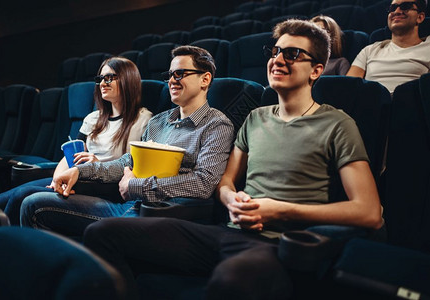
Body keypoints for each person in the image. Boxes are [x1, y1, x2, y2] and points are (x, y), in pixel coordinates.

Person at [82, 19, 384, 299]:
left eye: (292, 54)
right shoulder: (255, 118)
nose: (277, 60)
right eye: (275, 51)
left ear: (317, 70)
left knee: (231, 281)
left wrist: (278, 210)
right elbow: (225, 182)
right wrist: (232, 201)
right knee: (102, 234)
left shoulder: (337, 124)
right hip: (227, 231)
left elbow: (368, 211)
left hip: (278, 243)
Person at [20, 45, 234, 237]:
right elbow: (127, 163)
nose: (171, 81)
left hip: (163, 213)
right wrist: (80, 171)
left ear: (205, 79)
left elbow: (203, 183)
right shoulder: (159, 122)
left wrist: (136, 186)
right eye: (169, 75)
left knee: (93, 230)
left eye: (179, 74)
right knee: (33, 204)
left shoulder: (216, 125)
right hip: (130, 205)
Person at [0, 57, 152, 225]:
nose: (103, 83)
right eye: (100, 79)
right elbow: (70, 155)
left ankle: (0, 241)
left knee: (22, 196)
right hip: (77, 177)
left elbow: (134, 166)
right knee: (7, 198)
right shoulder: (93, 118)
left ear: (128, 79)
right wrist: (56, 179)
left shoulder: (143, 119)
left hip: (104, 186)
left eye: (110, 77)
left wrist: (97, 165)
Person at [347, 0, 430, 93]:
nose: (397, 11)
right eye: (392, 8)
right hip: (371, 103)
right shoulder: (370, 50)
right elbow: (349, 87)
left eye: (406, 6)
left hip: (411, 103)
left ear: (420, 17)